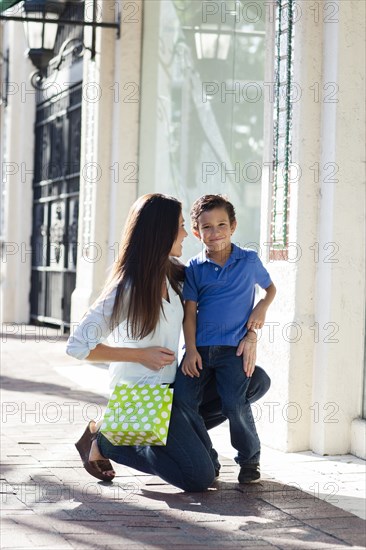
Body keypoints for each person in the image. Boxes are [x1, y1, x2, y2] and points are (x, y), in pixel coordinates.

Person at [66, 193, 216, 492]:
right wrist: (140, 355)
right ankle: (107, 441)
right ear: (160, 232)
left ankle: (152, 437)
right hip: (142, 398)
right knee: (200, 476)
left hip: (174, 392)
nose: (186, 233)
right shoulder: (127, 289)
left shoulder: (176, 277)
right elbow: (77, 345)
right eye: (180, 226)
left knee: (255, 381)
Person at [173, 194, 276, 484]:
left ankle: (249, 459)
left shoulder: (249, 260)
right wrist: (190, 349)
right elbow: (189, 313)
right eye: (206, 227)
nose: (214, 232)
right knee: (182, 401)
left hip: (234, 349)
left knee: (234, 403)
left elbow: (270, 290)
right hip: (200, 349)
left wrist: (260, 309)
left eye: (221, 225)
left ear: (233, 226)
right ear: (196, 232)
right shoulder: (194, 268)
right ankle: (207, 457)